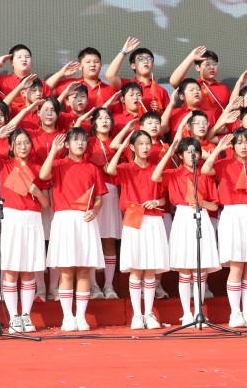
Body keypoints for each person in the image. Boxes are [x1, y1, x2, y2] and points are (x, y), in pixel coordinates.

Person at [0, 126, 50, 334]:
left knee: (28, 269)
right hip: (11, 218)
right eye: (18, 144)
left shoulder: (39, 168)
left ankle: (26, 314)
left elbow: (46, 204)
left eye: (26, 143)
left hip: (32, 219)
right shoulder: (5, 165)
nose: (23, 147)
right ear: (11, 147)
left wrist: (37, 192)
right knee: (10, 268)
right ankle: (14, 316)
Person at [40, 128, 107, 332]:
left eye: (83, 140)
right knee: (67, 270)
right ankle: (67, 317)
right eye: (76, 140)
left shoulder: (93, 168)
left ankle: (81, 317)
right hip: (65, 219)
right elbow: (43, 175)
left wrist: (95, 210)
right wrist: (54, 150)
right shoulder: (59, 164)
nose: (80, 143)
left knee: (84, 270)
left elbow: (99, 198)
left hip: (85, 220)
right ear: (67, 144)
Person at [201, 129, 247, 328]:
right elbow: (205, 170)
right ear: (233, 146)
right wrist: (218, 149)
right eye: (239, 143)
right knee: (237, 265)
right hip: (232, 214)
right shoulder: (224, 164)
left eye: (246, 142)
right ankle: (235, 313)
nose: (243, 146)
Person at [152, 137, 219, 327]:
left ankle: (199, 311)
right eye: (188, 152)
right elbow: (155, 177)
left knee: (200, 268)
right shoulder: (173, 174)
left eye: (196, 152)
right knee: (185, 269)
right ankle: (186, 313)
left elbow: (215, 205)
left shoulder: (204, 174)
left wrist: (202, 203)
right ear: (180, 155)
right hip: (182, 216)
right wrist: (169, 153)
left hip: (201, 215)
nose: (192, 155)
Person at [106, 130, 169, 330]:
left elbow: (164, 198)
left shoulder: (156, 168)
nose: (145, 147)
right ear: (132, 147)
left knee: (150, 269)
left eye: (147, 143)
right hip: (133, 217)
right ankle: (137, 315)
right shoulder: (125, 168)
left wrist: (156, 202)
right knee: (135, 268)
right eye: (140, 143)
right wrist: (123, 144)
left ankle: (149, 313)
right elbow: (110, 170)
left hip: (153, 219)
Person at [86, 107, 120, 301]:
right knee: (92, 239)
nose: (104, 121)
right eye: (100, 118)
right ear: (93, 123)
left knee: (108, 239)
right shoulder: (88, 142)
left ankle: (108, 285)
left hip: (111, 192)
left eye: (108, 118)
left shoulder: (117, 142)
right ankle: (93, 285)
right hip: (92, 193)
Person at [106, 37, 170, 114]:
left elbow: (168, 117)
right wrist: (123, 52)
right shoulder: (126, 85)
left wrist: (159, 111)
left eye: (149, 59)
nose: (146, 61)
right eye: (141, 59)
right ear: (133, 66)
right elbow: (110, 75)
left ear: (152, 65)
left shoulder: (161, 91)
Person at [169, 46, 230, 117]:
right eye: (207, 64)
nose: (212, 67)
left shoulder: (224, 88)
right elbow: (174, 81)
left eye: (214, 64)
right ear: (197, 67)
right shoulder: (192, 86)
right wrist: (191, 58)